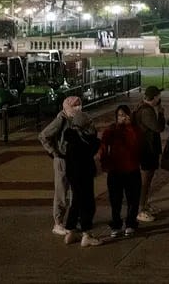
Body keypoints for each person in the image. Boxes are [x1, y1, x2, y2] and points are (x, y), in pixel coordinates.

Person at [62, 97, 102, 247]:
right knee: (87, 203)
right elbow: (93, 147)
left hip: (73, 174)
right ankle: (87, 234)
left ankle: (71, 231)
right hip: (83, 174)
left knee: (76, 202)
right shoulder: (84, 140)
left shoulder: (71, 137)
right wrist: (95, 140)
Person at [99, 104, 143, 237]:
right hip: (116, 170)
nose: (123, 118)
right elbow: (103, 148)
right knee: (115, 200)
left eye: (125, 115)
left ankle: (130, 223)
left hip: (132, 169)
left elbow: (138, 142)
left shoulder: (135, 129)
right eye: (120, 115)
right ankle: (116, 224)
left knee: (133, 199)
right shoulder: (111, 130)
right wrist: (105, 164)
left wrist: (130, 126)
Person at [38, 97, 78, 236]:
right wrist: (54, 152)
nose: (78, 108)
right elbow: (43, 135)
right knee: (61, 191)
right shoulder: (61, 119)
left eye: (79, 105)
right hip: (62, 159)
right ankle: (58, 222)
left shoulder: (75, 119)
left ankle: (73, 220)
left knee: (74, 190)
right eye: (75, 105)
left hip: (73, 159)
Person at [133, 86, 166, 222]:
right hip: (147, 149)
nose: (160, 98)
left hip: (148, 148)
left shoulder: (143, 108)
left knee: (148, 179)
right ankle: (140, 209)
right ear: (154, 97)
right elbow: (158, 128)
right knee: (145, 180)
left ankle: (145, 204)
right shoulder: (146, 111)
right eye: (158, 96)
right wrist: (161, 114)